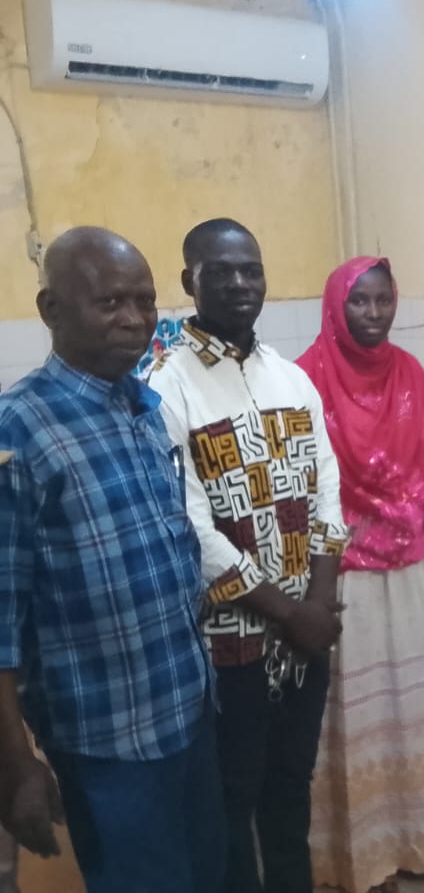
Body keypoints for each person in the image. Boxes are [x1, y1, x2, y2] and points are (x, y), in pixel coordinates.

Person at [0, 227, 223, 893]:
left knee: (208, 877)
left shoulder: (142, 407)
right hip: (107, 742)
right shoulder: (17, 432)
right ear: (51, 310)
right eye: (110, 303)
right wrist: (15, 765)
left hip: (189, 711)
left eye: (145, 301)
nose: (133, 319)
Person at [148, 218, 349, 893]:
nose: (240, 283)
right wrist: (291, 612)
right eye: (222, 271)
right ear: (190, 282)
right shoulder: (166, 386)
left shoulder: (290, 379)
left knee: (291, 784)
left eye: (251, 270)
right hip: (230, 641)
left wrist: (316, 604)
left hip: (304, 638)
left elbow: (327, 490)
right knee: (232, 796)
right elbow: (190, 526)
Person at [297, 258, 424, 892]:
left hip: (412, 566)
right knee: (355, 715)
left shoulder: (411, 372)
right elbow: (306, 487)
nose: (374, 313)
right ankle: (362, 855)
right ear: (336, 305)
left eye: (383, 300)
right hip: (343, 574)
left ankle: (423, 835)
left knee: (415, 701)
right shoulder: (305, 378)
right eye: (360, 301)